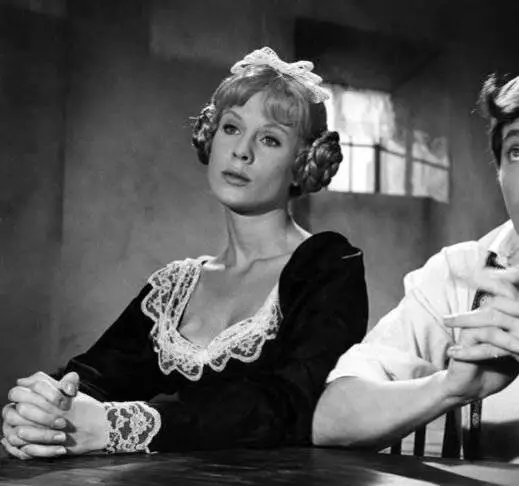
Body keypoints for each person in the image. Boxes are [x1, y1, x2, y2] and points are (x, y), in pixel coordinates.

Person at [1, 47, 368, 459]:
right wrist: (45, 409)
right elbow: (96, 374)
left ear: (303, 161)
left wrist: (119, 426)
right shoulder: (175, 286)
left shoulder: (327, 266)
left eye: (269, 139)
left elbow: (284, 405)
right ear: (210, 136)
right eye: (231, 128)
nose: (241, 151)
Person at [313, 73, 519, 462]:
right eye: (518, 151)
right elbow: (332, 419)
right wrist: (449, 388)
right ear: (500, 171)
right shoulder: (462, 273)